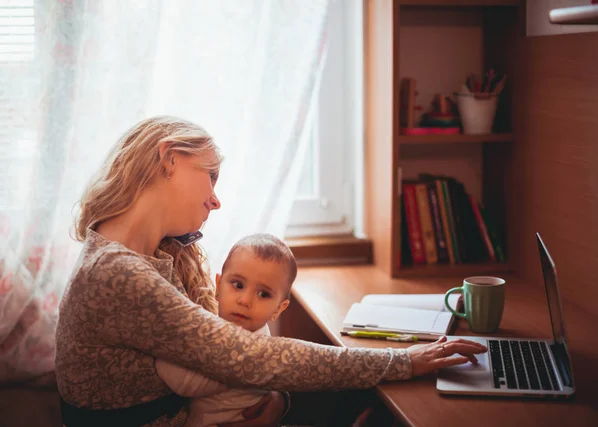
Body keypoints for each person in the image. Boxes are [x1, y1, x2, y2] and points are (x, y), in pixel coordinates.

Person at [55, 115, 488, 427]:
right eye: (211, 176)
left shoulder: (150, 254)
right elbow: (247, 357)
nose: (216, 199)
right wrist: (400, 361)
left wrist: (277, 403)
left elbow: (236, 357)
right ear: (169, 158)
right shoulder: (117, 274)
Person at [155, 233, 296, 426]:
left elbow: (185, 384)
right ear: (218, 285)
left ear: (279, 308)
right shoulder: (221, 326)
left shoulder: (251, 347)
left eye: (263, 294)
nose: (245, 300)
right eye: (238, 285)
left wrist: (159, 347)